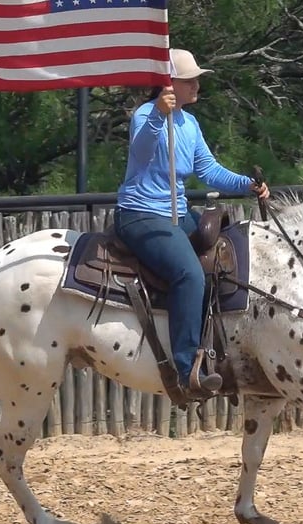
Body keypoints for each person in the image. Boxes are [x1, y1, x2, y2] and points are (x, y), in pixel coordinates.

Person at [114, 48, 270, 396]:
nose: (197, 84)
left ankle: (218, 350)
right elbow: (140, 153)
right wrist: (157, 115)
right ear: (170, 84)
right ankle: (187, 370)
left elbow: (209, 171)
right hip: (141, 214)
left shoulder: (189, 123)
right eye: (190, 80)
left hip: (177, 214)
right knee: (188, 273)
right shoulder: (145, 116)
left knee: (226, 258)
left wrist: (247, 184)